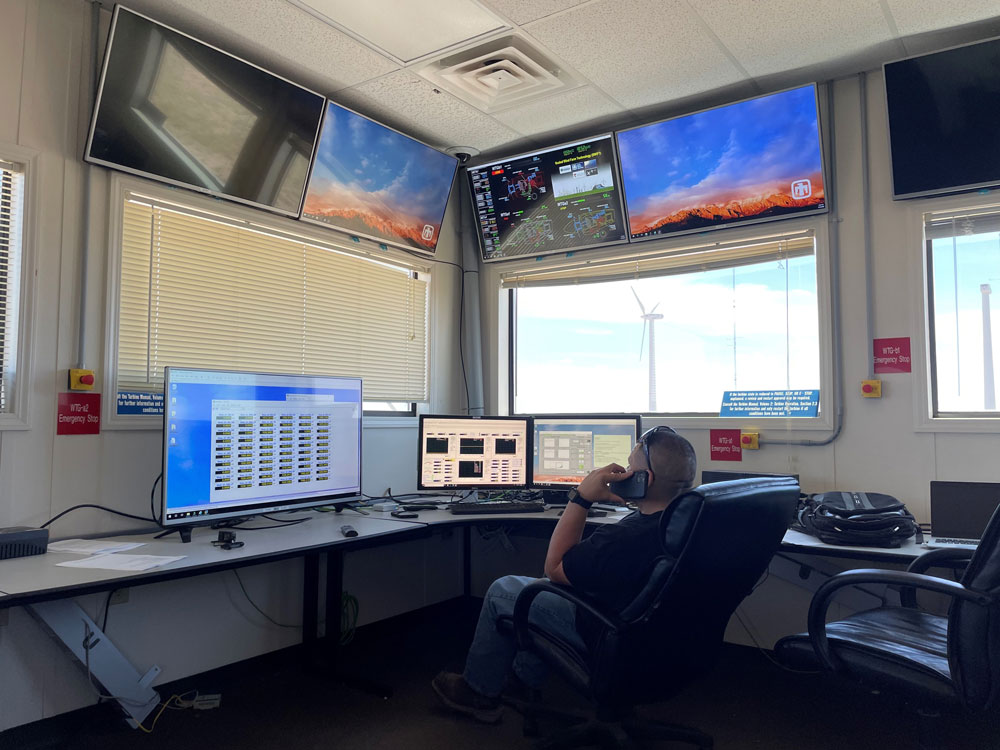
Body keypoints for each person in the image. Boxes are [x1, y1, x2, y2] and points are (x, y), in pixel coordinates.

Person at [432, 426, 697, 723]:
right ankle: (523, 680)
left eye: (628, 467)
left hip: (611, 635)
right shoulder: (694, 524)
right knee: (541, 588)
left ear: (642, 479)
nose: (621, 472)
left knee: (503, 589)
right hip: (665, 644)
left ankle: (479, 692)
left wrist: (581, 497)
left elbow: (554, 567)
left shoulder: (622, 539)